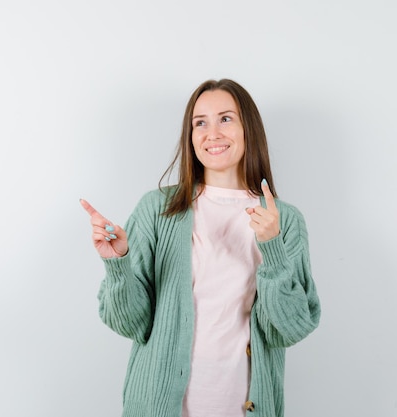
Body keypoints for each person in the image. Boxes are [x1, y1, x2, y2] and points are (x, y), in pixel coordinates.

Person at [80, 78, 321, 417]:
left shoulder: (284, 220)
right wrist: (118, 262)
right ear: (190, 136)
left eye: (226, 118)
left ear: (248, 128)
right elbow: (130, 324)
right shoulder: (158, 209)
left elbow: (290, 329)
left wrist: (273, 250)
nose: (213, 133)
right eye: (200, 123)